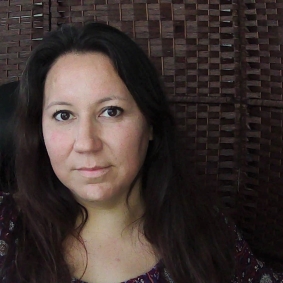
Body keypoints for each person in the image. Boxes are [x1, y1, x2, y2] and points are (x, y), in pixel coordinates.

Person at [0, 22, 282, 283]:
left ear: (150, 125)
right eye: (63, 115)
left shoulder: (205, 232)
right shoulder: (7, 226)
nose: (86, 143)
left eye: (111, 111)